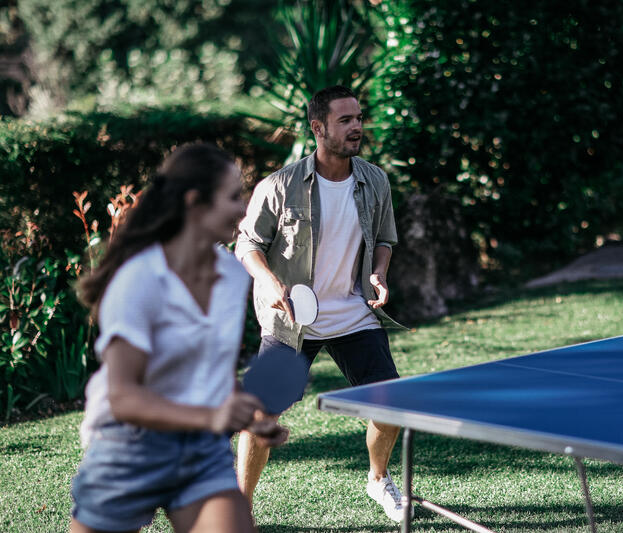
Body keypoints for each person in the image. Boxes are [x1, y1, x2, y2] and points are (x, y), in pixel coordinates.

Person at [70, 143, 289, 533]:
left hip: (201, 449)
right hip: (130, 448)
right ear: (195, 203)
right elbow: (124, 397)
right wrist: (213, 416)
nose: (243, 208)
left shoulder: (231, 276)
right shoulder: (140, 279)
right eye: (233, 196)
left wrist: (248, 413)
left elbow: (211, 375)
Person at [235, 85, 409, 522]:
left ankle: (378, 479)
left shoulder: (375, 180)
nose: (357, 127)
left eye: (359, 118)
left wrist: (378, 273)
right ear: (318, 128)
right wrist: (271, 282)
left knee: (389, 408)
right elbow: (247, 245)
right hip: (291, 319)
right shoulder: (279, 186)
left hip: (354, 314)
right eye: (345, 120)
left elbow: (385, 238)